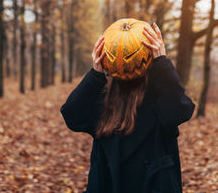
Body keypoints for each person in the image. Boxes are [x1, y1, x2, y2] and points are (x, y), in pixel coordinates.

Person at [60, 23, 195, 193]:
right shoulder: (102, 100)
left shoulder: (160, 100)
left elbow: (180, 110)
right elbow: (72, 115)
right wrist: (95, 74)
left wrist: (162, 63)